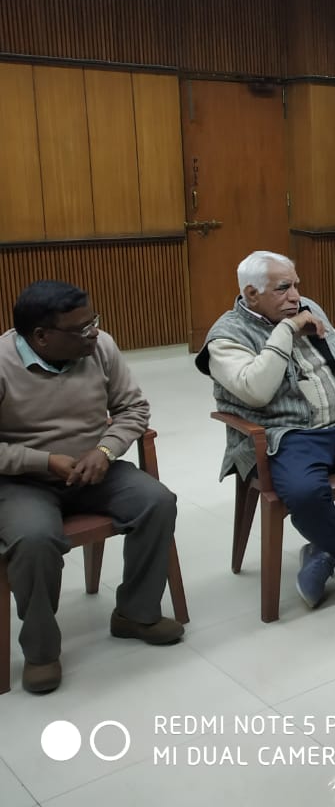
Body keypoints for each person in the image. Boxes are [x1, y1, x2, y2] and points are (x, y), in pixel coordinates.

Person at [195, 251, 335, 609]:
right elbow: (256, 391)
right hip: (286, 435)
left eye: (296, 285)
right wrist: (286, 330)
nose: (294, 296)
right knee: (305, 494)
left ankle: (326, 552)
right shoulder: (226, 337)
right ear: (251, 294)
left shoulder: (308, 307)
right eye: (283, 288)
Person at [0, 280, 182, 694]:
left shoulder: (99, 347)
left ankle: (135, 613)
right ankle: (41, 650)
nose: (94, 333)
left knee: (157, 502)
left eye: (93, 322)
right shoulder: (1, 362)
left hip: (94, 468)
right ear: (41, 336)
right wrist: (42, 461)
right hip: (23, 481)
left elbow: (133, 408)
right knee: (33, 538)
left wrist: (105, 450)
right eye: (81, 328)